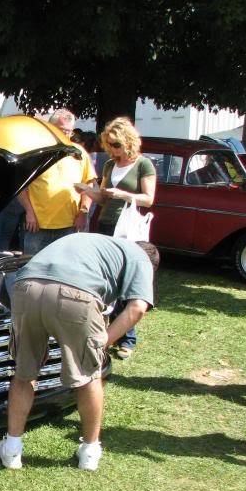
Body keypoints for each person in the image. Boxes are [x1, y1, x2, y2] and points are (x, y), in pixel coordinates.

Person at [0, 233, 159, 471]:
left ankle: (11, 449)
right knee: (89, 375)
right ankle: (90, 451)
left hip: (25, 286)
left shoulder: (97, 242)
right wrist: (104, 341)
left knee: (24, 372)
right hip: (76, 293)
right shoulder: (142, 259)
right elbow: (137, 308)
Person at [75, 117, 156, 359]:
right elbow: (102, 199)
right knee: (105, 280)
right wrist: (88, 191)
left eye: (116, 144)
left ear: (129, 141)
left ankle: (127, 339)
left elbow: (149, 199)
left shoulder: (144, 164)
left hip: (128, 228)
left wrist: (122, 194)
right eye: (108, 144)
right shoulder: (110, 165)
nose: (112, 149)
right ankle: (105, 332)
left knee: (126, 280)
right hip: (106, 224)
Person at [17, 108, 96, 255]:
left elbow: (89, 184)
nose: (65, 134)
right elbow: (20, 185)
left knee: (64, 270)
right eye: (61, 130)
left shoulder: (79, 153)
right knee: (33, 268)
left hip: (69, 225)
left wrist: (83, 212)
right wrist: (29, 211)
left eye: (68, 131)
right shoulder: (36, 151)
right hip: (38, 225)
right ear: (50, 127)